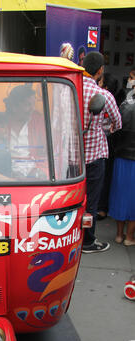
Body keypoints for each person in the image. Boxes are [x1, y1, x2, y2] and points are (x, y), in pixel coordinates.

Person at [81, 52, 122, 254]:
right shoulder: (104, 96)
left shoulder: (68, 90)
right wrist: (104, 128)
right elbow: (118, 122)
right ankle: (87, 241)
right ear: (100, 71)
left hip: (71, 158)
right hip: (94, 156)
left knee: (71, 199)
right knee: (91, 201)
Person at [108, 69, 135, 246]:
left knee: (120, 195)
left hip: (121, 157)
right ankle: (130, 237)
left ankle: (118, 234)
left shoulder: (124, 106)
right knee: (133, 199)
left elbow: (114, 130)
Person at [4, 84, 48, 180]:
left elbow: (47, 152)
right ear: (14, 107)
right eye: (28, 105)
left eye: (33, 104)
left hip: (34, 170)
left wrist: (40, 170)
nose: (32, 109)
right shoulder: (2, 123)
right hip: (7, 172)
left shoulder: (38, 121)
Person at [97, 73, 120, 220]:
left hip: (105, 144)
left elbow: (117, 122)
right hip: (104, 144)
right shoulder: (108, 98)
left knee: (102, 178)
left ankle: (101, 208)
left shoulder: (107, 98)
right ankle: (100, 208)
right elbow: (117, 123)